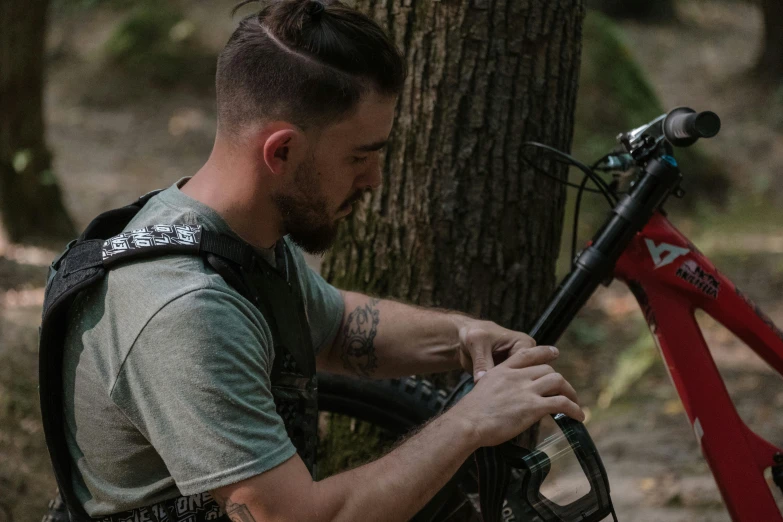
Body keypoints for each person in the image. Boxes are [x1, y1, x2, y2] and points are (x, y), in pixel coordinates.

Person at [60, 0, 584, 520]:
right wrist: (470, 422)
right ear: (281, 152)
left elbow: (336, 328)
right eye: (359, 156)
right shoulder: (183, 312)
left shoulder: (242, 240)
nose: (375, 180)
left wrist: (463, 337)